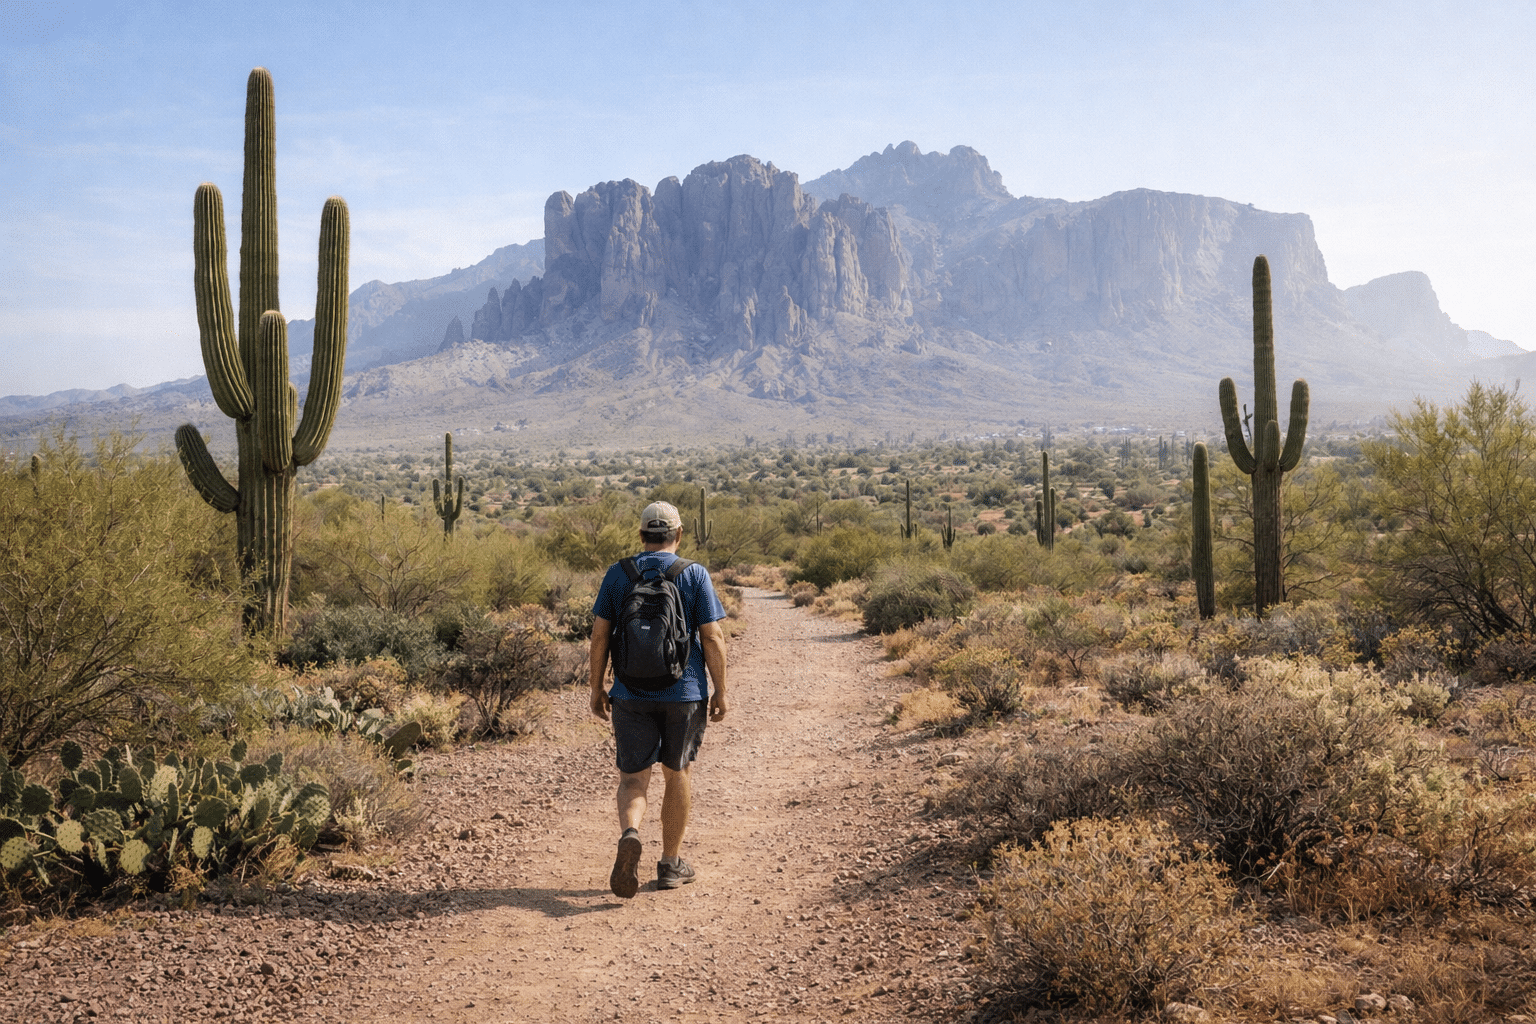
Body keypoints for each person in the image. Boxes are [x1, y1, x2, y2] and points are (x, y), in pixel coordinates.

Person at [589, 500, 728, 899]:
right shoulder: (693, 574)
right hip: (684, 694)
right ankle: (670, 863)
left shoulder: (619, 574)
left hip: (630, 692)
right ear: (679, 535)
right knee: (677, 772)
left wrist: (597, 687)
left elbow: (600, 636)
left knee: (633, 777)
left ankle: (631, 833)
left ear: (640, 536)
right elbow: (713, 637)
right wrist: (721, 690)